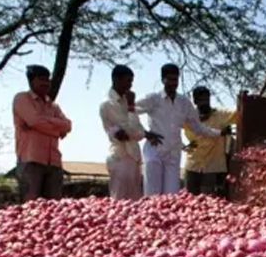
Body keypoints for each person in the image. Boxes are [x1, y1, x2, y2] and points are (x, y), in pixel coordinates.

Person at [135, 64, 229, 196]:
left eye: (176, 79)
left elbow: (198, 127)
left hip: (173, 153)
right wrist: (144, 133)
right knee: (152, 194)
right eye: (170, 79)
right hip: (155, 150)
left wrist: (219, 133)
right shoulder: (153, 98)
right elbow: (130, 110)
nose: (173, 83)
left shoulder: (184, 103)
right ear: (163, 80)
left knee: (171, 196)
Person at [98, 65, 164, 200]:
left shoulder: (124, 101)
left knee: (134, 203)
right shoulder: (109, 104)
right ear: (116, 79)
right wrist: (131, 107)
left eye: (131, 81)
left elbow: (137, 130)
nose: (130, 85)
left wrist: (145, 133)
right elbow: (132, 131)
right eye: (128, 81)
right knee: (120, 202)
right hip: (121, 156)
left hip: (133, 155)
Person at [12, 65, 71, 201]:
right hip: (31, 160)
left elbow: (68, 125)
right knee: (31, 207)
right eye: (42, 80)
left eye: (47, 80)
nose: (46, 83)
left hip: (54, 162)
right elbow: (34, 121)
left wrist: (43, 123)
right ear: (32, 81)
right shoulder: (22, 99)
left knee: (53, 209)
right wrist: (56, 130)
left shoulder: (52, 105)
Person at [184, 86, 237, 198]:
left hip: (213, 167)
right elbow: (199, 136)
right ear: (195, 101)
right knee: (189, 200)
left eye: (206, 99)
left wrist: (244, 100)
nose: (205, 103)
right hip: (193, 165)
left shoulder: (220, 115)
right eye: (201, 100)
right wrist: (219, 133)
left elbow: (238, 113)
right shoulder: (189, 118)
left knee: (209, 201)